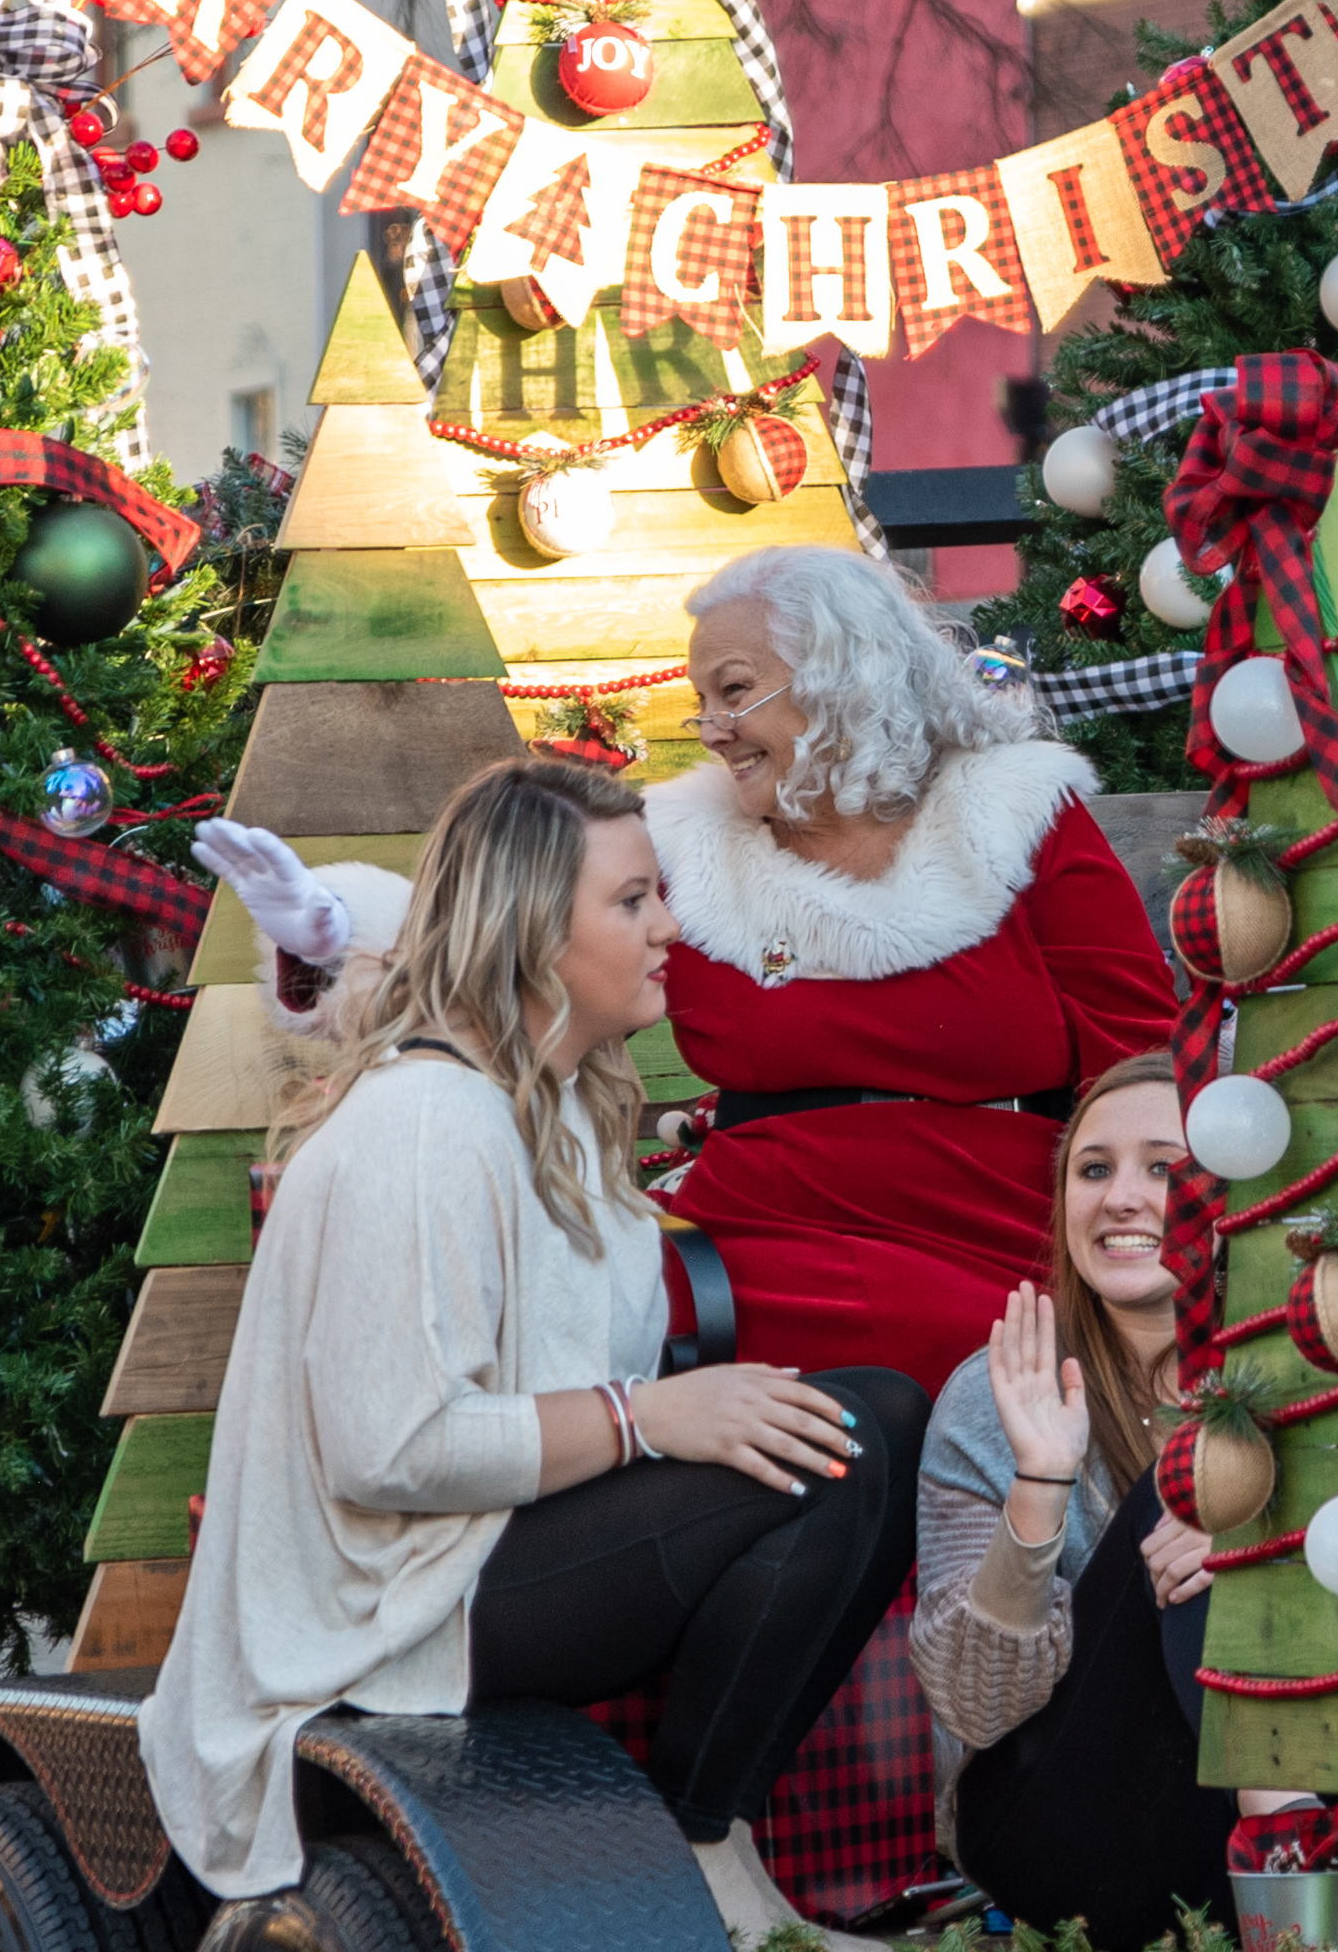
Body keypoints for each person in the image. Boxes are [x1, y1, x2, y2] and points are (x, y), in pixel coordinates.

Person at [140, 759, 925, 1952]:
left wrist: (663, 1415)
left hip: (484, 1547)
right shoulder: (426, 1123)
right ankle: (701, 1847)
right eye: (632, 902)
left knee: (862, 1420)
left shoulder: (554, 1105)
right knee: (856, 1431)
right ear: (530, 930)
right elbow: (390, 1448)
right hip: (386, 1607)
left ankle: (718, 1845)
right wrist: (650, 1417)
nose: (669, 925)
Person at [197, 544, 1178, 1395]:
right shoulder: (677, 841)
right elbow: (498, 960)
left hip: (996, 1235)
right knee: (570, 1304)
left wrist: (1135, 1247)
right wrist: (333, 929)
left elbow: (1141, 1066)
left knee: (977, 1348)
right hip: (747, 1242)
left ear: (844, 676)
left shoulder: (1013, 811)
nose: (709, 726)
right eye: (702, 695)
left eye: (737, 689)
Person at [913, 1055, 1338, 1951]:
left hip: (1229, 1838)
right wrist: (1039, 1488)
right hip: (1066, 1826)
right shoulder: (1000, 1391)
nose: (1123, 1196)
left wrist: (1278, 1501)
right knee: (1192, 1485)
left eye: (1166, 1167)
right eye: (1093, 1169)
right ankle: (1334, 1863)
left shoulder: (1311, 1344)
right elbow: (973, 1706)